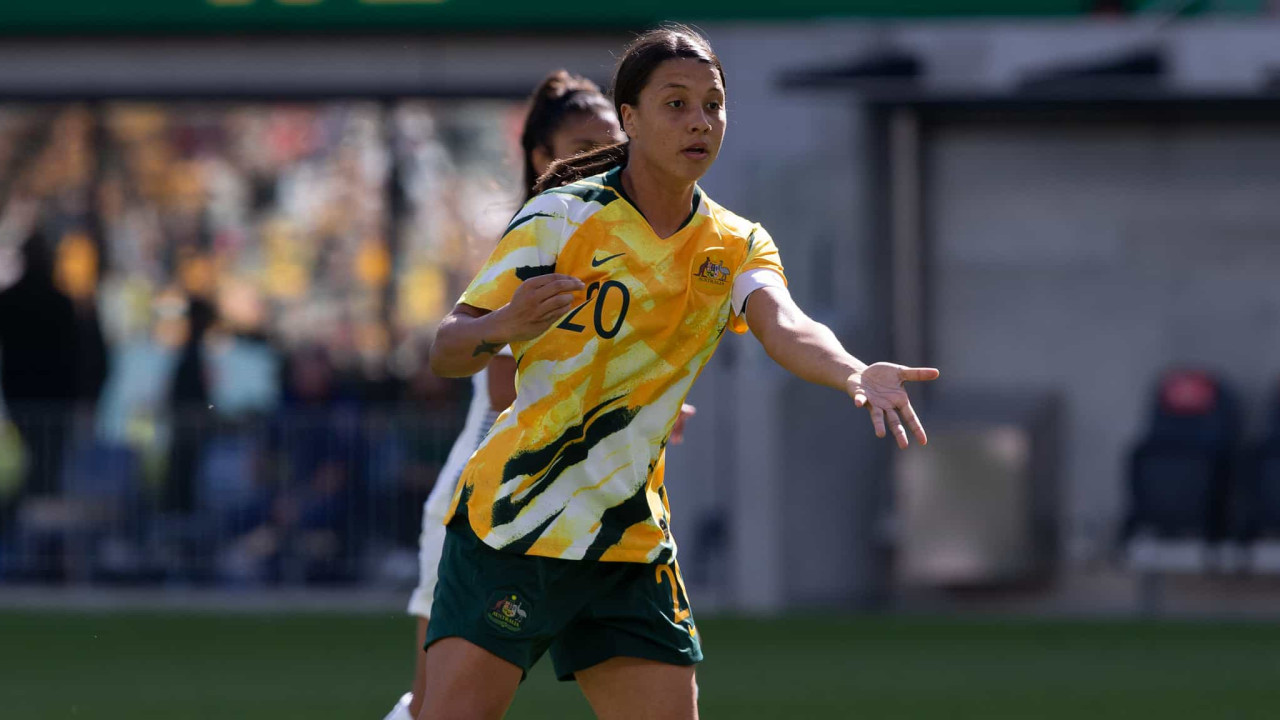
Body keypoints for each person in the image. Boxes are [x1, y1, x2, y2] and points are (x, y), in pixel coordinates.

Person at [422, 25, 938, 719]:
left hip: (627, 540)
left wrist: (850, 371)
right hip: (515, 526)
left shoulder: (735, 242)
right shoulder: (561, 217)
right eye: (676, 103)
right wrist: (502, 327)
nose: (700, 121)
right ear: (628, 118)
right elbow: (448, 347)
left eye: (713, 104)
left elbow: (783, 323)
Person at [383, 70, 695, 720]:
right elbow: (507, 389)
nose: (607, 154)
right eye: (585, 142)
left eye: (614, 140)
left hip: (572, 517)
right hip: (492, 515)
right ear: (539, 156)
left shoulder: (617, 235)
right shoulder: (541, 236)